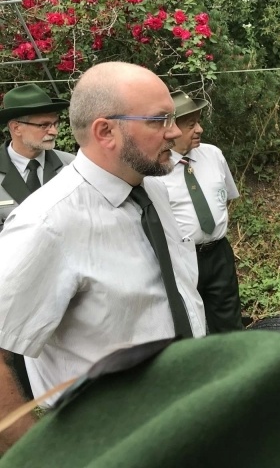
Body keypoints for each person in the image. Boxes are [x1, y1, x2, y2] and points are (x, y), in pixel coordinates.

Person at [0, 62, 206, 450]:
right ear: (106, 131)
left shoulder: (152, 189)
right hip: (112, 444)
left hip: (183, 422)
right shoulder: (47, 223)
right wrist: (33, 457)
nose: (175, 131)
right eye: (159, 120)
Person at [153, 90, 243, 333]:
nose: (200, 129)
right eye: (191, 125)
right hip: (180, 258)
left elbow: (226, 198)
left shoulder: (212, 154)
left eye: (199, 122)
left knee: (229, 323)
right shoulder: (154, 169)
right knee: (188, 324)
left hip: (218, 252)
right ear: (170, 129)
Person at [0, 83, 75, 230]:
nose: (54, 131)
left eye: (55, 123)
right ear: (16, 128)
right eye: (44, 125)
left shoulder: (72, 166)